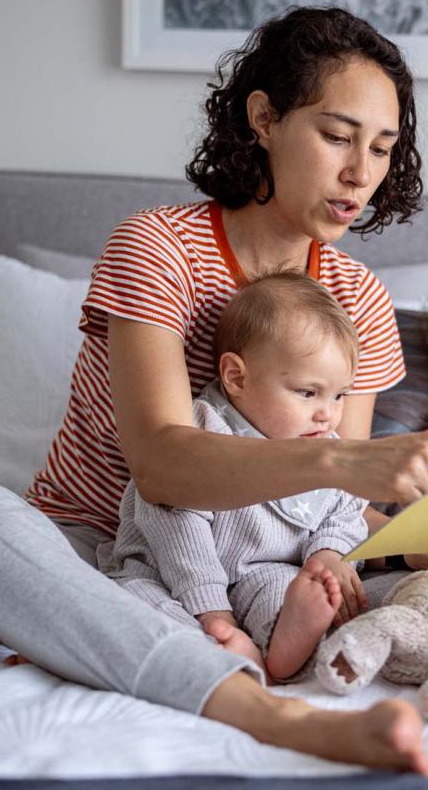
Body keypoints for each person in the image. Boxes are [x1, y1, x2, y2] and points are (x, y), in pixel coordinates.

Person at [0, 6, 428, 774]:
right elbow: (161, 467)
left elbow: (332, 504)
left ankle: (142, 648)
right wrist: (342, 464)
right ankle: (264, 712)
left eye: (382, 149)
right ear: (264, 116)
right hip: (94, 552)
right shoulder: (155, 246)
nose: (361, 173)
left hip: (273, 571)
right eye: (336, 135)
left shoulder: (356, 296)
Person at [99, 273, 371, 681]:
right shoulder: (201, 430)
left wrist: (327, 553)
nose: (327, 413)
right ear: (237, 377)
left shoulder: (325, 445)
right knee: (130, 599)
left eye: (339, 395)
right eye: (307, 392)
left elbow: (348, 509)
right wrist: (213, 611)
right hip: (168, 572)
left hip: (263, 572)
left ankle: (282, 642)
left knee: (294, 590)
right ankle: (216, 644)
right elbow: (177, 530)